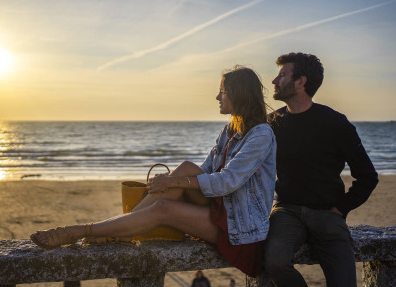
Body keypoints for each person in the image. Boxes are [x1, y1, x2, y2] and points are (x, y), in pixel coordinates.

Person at [30, 66, 276, 277]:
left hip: (241, 229)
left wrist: (175, 184)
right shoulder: (229, 130)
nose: (217, 97)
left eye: (222, 91)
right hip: (222, 208)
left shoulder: (261, 134)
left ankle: (82, 230)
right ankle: (124, 228)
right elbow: (203, 172)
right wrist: (173, 181)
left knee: (163, 207)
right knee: (185, 168)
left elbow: (227, 182)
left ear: (238, 94)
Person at [264, 52, 379, 287]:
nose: (275, 81)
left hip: (328, 213)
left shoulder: (335, 123)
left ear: (301, 82)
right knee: (273, 264)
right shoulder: (271, 123)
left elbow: (367, 176)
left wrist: (341, 208)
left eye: (282, 75)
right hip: (286, 211)